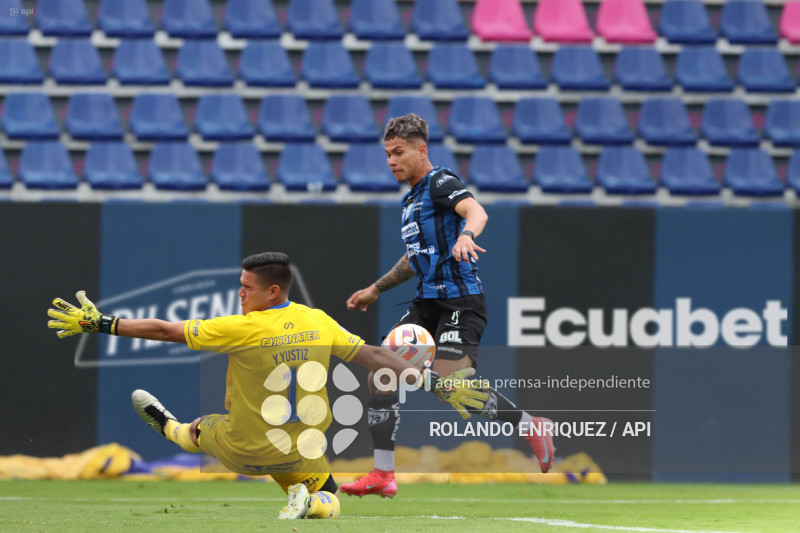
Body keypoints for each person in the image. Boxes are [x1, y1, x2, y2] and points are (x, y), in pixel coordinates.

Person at [47, 251, 487, 520]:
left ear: (272, 291)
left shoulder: (242, 328)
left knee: (199, 429)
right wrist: (435, 382)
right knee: (329, 497)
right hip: (301, 447)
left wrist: (103, 323)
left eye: (246, 288)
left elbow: (165, 331)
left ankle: (167, 426)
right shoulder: (317, 319)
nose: (240, 294)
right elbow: (375, 356)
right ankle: (307, 500)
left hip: (245, 449)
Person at [342, 114, 555, 498]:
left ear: (421, 150)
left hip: (460, 300)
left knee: (453, 385)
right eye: (387, 153)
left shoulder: (440, 182)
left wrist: (467, 236)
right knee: (381, 373)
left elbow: (477, 211)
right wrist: (375, 288)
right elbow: (413, 257)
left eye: (399, 152)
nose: (391, 160)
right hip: (426, 302)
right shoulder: (410, 201)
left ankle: (530, 425)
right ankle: (383, 474)